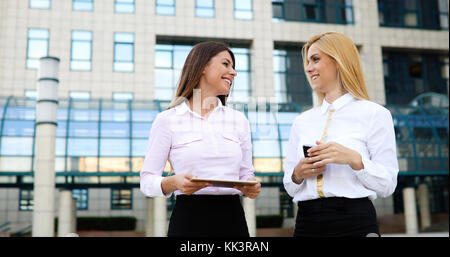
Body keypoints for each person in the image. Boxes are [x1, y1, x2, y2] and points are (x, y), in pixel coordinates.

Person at [140, 41, 261, 237]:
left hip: (233, 220)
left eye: (233, 67)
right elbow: (147, 181)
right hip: (189, 220)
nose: (233, 72)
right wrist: (174, 183)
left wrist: (250, 187)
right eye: (226, 64)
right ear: (203, 66)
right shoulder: (167, 120)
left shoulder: (239, 120)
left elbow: (246, 174)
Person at [283, 32, 399, 237]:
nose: (308, 68)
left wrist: (355, 160)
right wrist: (298, 173)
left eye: (315, 59)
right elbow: (290, 187)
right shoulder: (301, 121)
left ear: (339, 61)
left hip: (355, 220)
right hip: (307, 222)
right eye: (308, 62)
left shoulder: (375, 114)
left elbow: (387, 185)